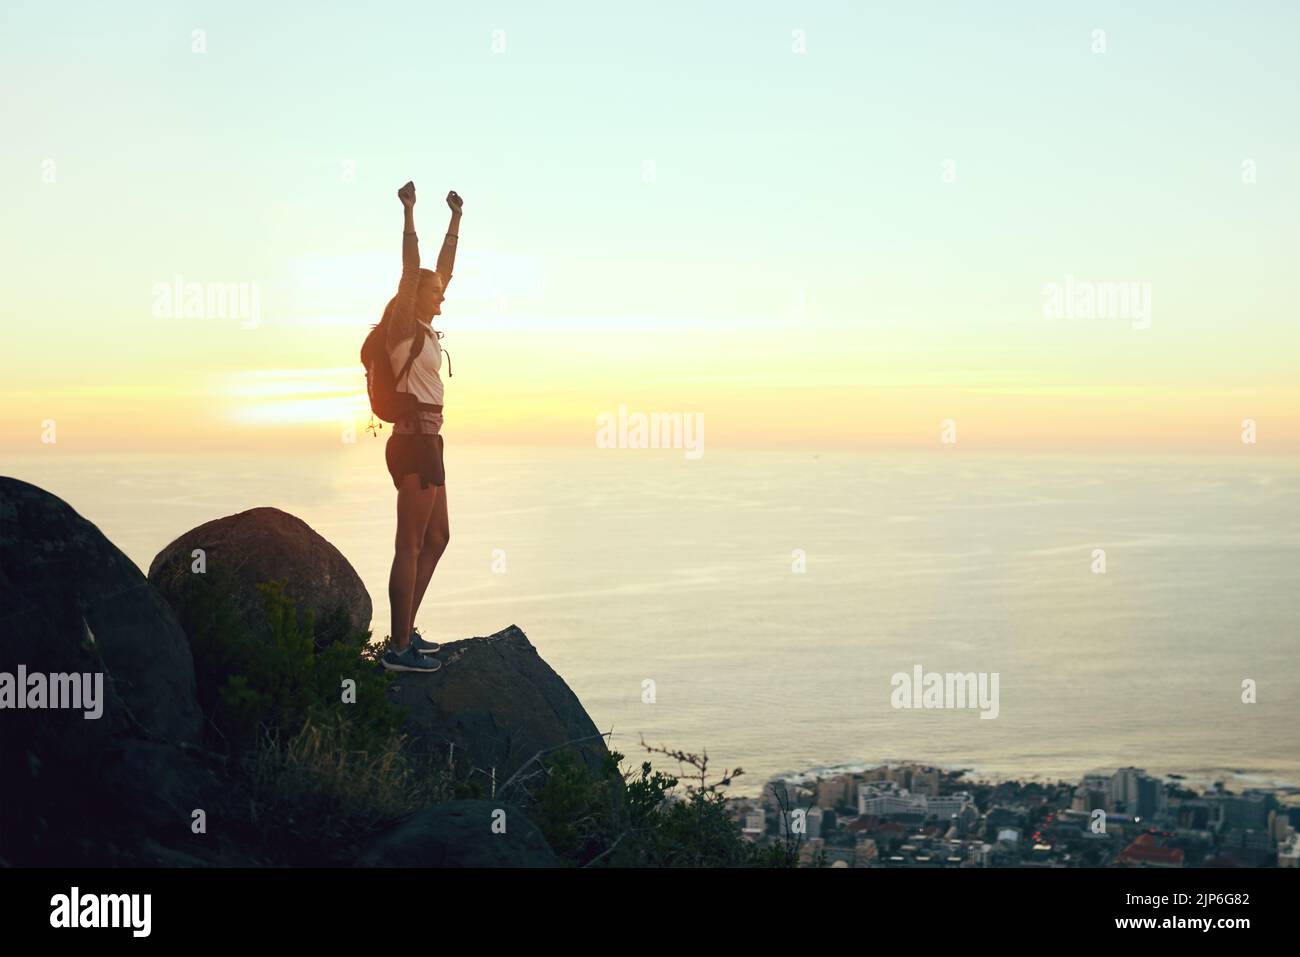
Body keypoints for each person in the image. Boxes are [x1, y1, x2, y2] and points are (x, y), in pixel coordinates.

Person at [379, 180, 462, 673]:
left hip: (430, 440)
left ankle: (406, 630)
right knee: (409, 543)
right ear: (416, 297)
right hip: (412, 441)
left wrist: (455, 219)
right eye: (434, 293)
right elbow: (415, 270)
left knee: (437, 538)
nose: (441, 296)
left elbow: (441, 270)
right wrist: (410, 212)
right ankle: (398, 649)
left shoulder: (426, 328)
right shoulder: (404, 328)